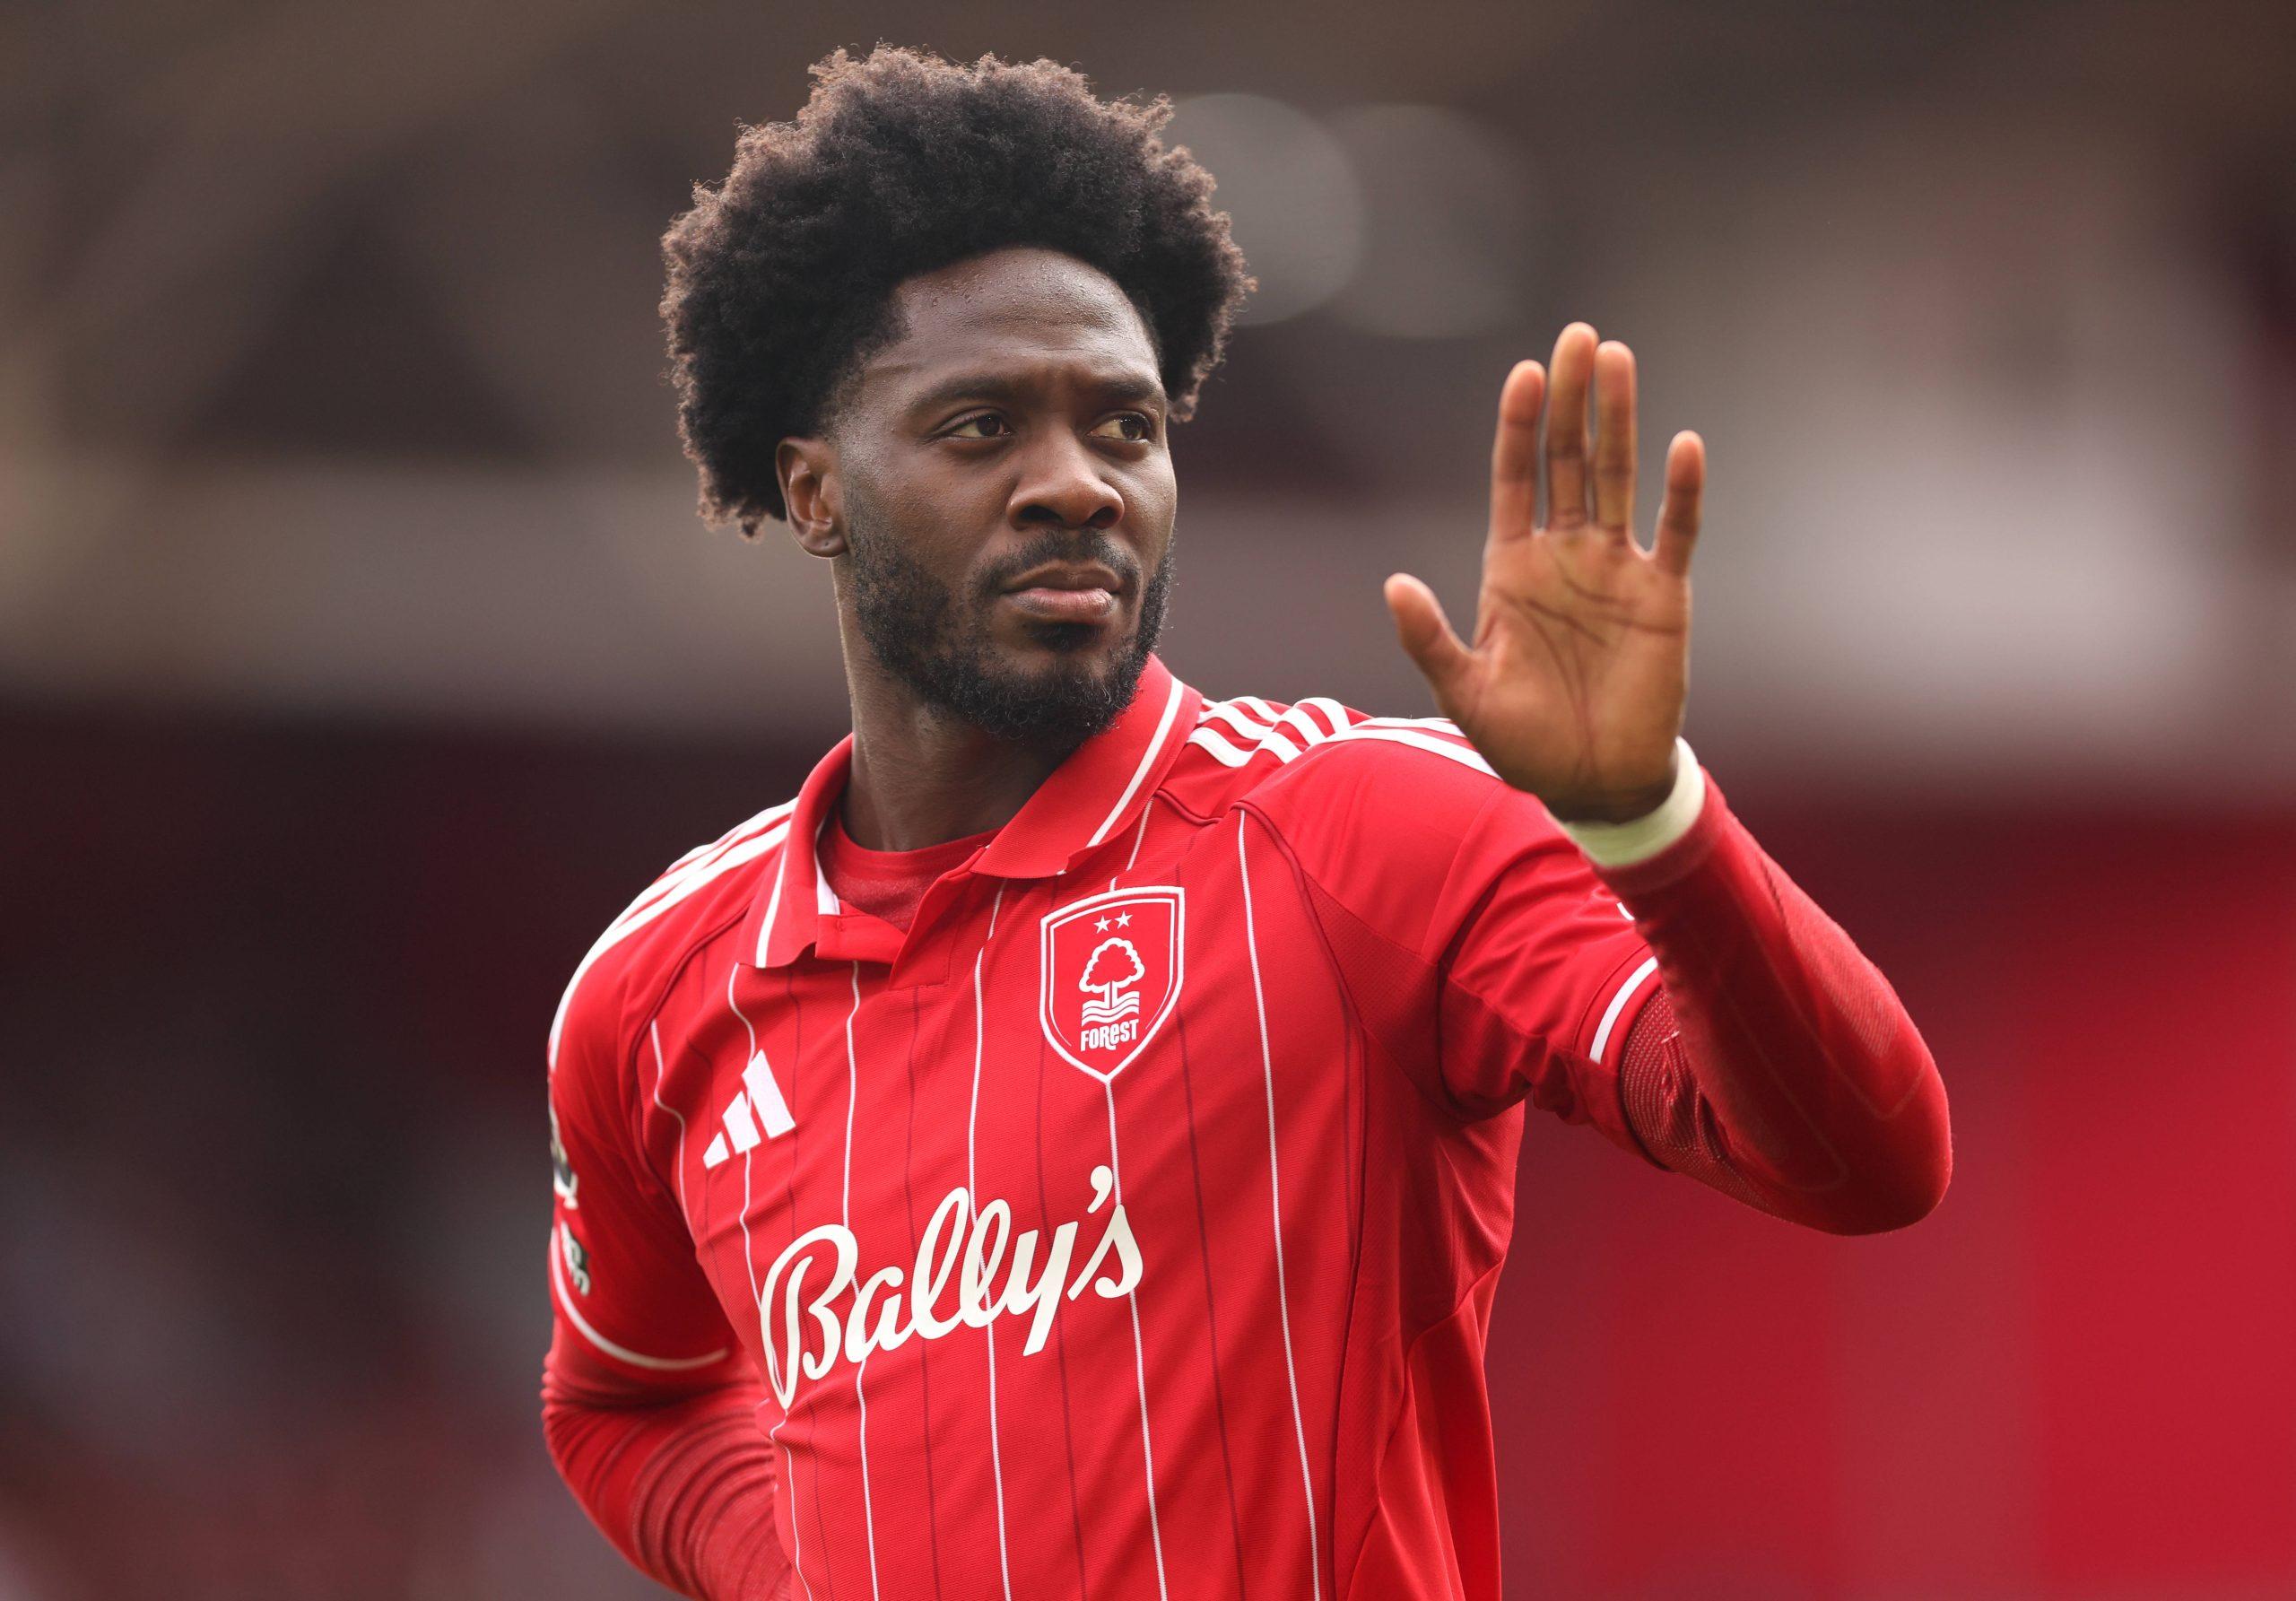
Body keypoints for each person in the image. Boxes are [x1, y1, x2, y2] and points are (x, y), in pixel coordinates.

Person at [540, 45, 1952, 1601]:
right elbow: (631, 1397)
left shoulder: (1368, 831)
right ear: (815, 492)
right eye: (979, 427)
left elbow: (1868, 1161)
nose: (1075, 483)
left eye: (1124, 428)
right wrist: (810, 1569)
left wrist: (1653, 823)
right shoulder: (658, 987)